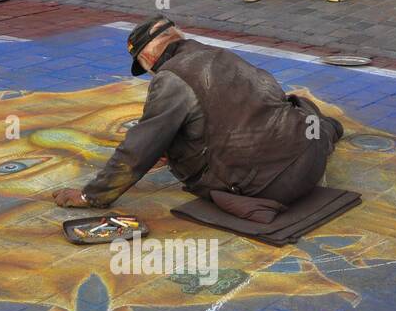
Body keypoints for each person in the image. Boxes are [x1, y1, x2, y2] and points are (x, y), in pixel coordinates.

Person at [52, 17, 344, 213]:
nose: (149, 74)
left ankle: (323, 130)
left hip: (271, 186)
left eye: (145, 67)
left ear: (150, 57)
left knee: (166, 132)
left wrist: (93, 195)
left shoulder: (171, 78)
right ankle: (331, 129)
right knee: (299, 108)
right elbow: (259, 101)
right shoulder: (221, 55)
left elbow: (139, 148)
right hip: (310, 157)